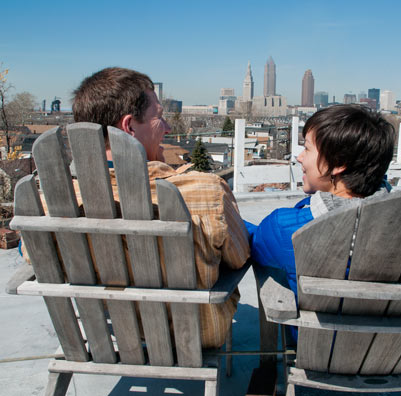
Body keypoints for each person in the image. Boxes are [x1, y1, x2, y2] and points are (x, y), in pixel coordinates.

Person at [27, 67, 250, 348]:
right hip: (194, 335)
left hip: (106, 333)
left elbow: (32, 257)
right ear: (129, 127)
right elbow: (240, 257)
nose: (168, 128)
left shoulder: (50, 202)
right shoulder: (204, 191)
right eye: (159, 117)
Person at [246, 105, 395, 310]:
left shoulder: (288, 229)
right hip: (400, 341)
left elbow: (253, 245)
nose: (299, 157)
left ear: (338, 163)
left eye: (307, 148)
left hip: (320, 341)